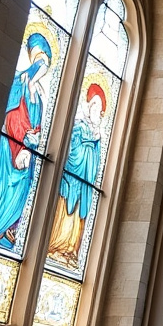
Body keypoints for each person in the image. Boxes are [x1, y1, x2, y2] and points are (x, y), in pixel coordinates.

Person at [0, 32, 52, 248]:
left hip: (28, 150)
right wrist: (21, 145)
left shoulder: (38, 93)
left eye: (45, 63)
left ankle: (8, 229)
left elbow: (37, 124)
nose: (42, 67)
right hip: (10, 147)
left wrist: (32, 143)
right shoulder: (19, 82)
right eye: (39, 61)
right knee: (1, 187)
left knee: (19, 190)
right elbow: (10, 114)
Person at [47, 83, 107, 269]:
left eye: (99, 107)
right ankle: (57, 246)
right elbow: (71, 147)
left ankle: (71, 250)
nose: (95, 109)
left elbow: (96, 158)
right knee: (66, 208)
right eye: (93, 105)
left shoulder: (97, 134)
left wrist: (94, 141)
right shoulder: (80, 126)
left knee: (80, 213)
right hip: (73, 176)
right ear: (88, 106)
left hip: (86, 181)